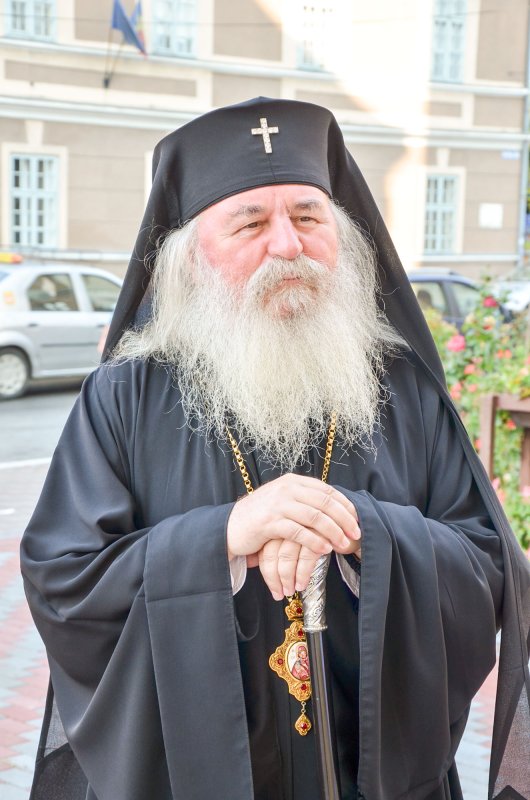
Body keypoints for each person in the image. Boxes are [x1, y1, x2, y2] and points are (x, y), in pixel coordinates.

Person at [20, 97, 530, 800]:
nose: (288, 246)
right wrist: (223, 539)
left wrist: (360, 529)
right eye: (251, 223)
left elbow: (487, 565)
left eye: (309, 217)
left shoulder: (403, 388)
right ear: (190, 259)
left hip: (373, 773)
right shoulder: (125, 397)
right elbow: (65, 579)